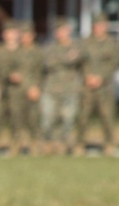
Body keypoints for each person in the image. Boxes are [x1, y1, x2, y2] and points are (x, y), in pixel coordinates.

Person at [78, 13, 119, 154]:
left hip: (105, 85)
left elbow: (115, 62)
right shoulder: (85, 43)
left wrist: (101, 77)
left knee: (107, 115)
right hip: (88, 85)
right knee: (83, 115)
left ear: (106, 26)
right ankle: (80, 143)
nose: (99, 28)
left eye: (102, 25)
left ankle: (109, 143)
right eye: (97, 25)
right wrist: (87, 76)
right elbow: (81, 62)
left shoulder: (112, 43)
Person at [42, 17, 85, 155]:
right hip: (51, 87)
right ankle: (50, 142)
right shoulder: (49, 48)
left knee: (68, 118)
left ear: (69, 31)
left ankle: (64, 144)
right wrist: (67, 59)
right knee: (48, 117)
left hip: (70, 87)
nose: (61, 33)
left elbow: (82, 62)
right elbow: (48, 63)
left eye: (64, 30)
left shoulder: (77, 47)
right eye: (59, 31)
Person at [0, 20, 24, 154]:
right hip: (2, 88)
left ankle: (16, 144)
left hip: (18, 89)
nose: (10, 35)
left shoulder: (23, 51)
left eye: (13, 32)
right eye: (8, 32)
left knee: (17, 117)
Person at [18, 21, 44, 154]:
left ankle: (36, 144)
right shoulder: (16, 51)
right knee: (18, 118)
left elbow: (42, 71)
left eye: (27, 34)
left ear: (33, 35)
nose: (25, 37)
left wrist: (37, 87)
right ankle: (21, 144)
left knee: (34, 118)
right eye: (22, 35)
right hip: (17, 91)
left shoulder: (38, 52)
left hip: (34, 89)